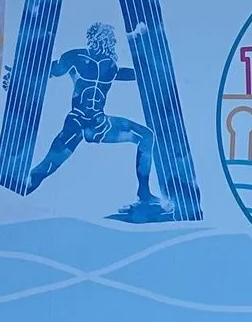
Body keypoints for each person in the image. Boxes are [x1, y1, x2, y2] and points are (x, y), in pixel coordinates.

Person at [27, 22, 159, 213]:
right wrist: (18, 76)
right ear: (94, 38)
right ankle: (20, 192)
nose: (108, 42)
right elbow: (49, 71)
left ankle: (144, 193)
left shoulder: (110, 66)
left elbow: (131, 74)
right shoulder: (75, 57)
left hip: (100, 124)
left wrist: (149, 68)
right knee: (47, 166)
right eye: (105, 38)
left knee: (146, 136)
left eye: (110, 39)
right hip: (77, 123)